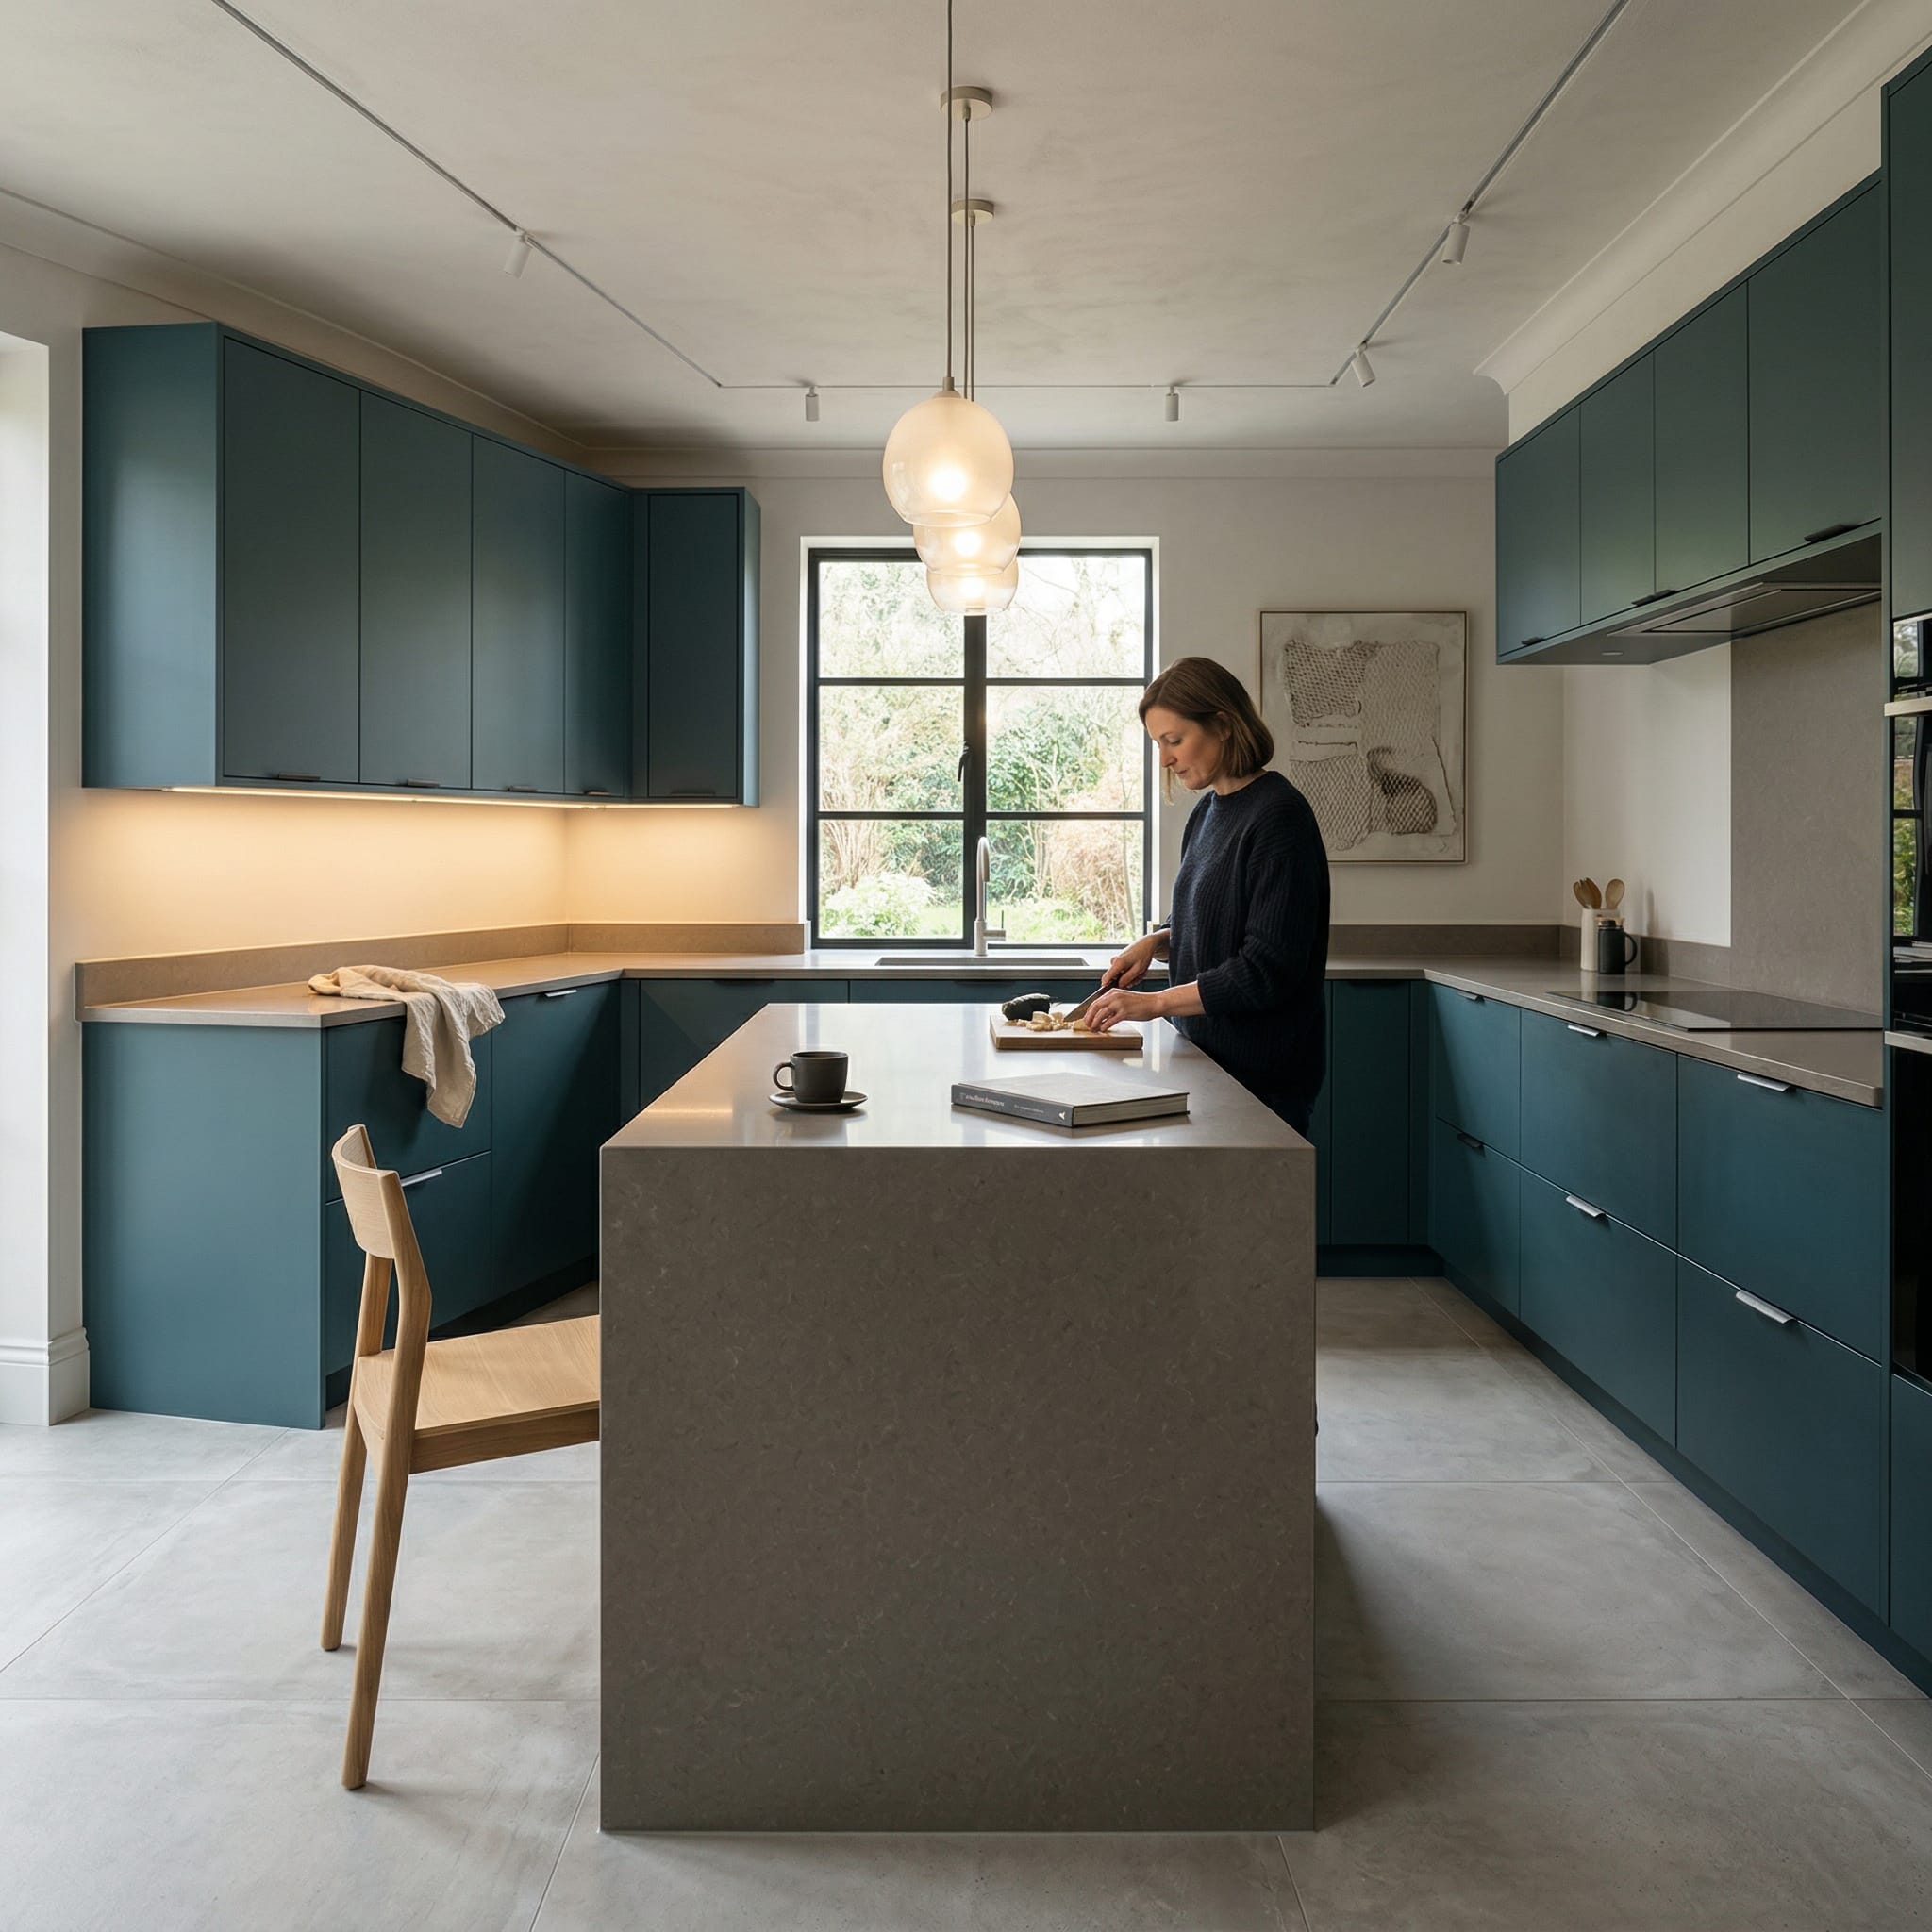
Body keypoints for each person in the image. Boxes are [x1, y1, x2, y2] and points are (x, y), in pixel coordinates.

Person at [1085, 656, 1330, 1137]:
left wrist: (1155, 1004)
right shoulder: (1207, 813)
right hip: (1204, 1062)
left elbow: (1265, 972)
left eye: (1174, 740)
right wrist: (1155, 943)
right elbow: (1211, 924)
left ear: (1222, 724)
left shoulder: (1279, 818)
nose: (1165, 759)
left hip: (1262, 1082)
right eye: (1158, 744)